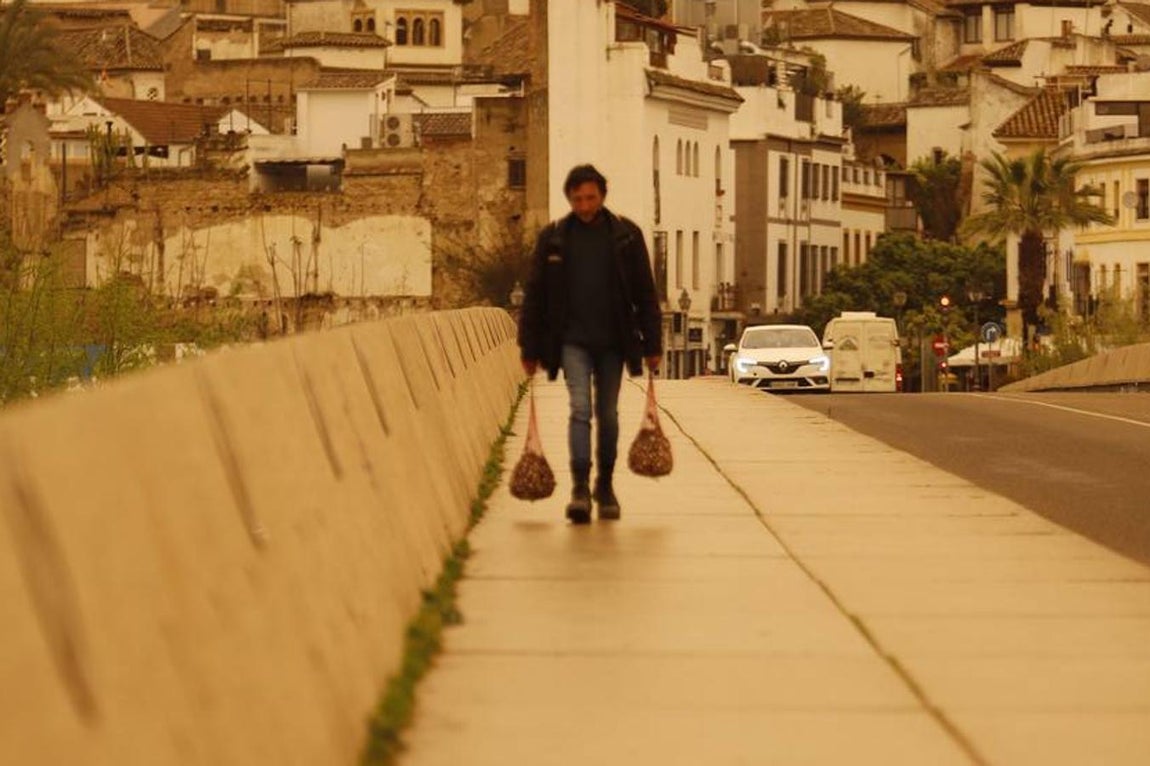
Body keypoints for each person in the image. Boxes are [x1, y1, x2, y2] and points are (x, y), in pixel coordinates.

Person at [517, 164, 663, 524]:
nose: (584, 206)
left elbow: (646, 292)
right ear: (569, 198)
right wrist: (529, 348)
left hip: (614, 342)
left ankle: (606, 485)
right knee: (580, 409)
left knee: (608, 415)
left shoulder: (626, 236)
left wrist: (653, 343)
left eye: (591, 198)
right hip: (572, 342)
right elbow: (535, 294)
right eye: (578, 198)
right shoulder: (553, 238)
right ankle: (580, 489)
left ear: (602, 196)